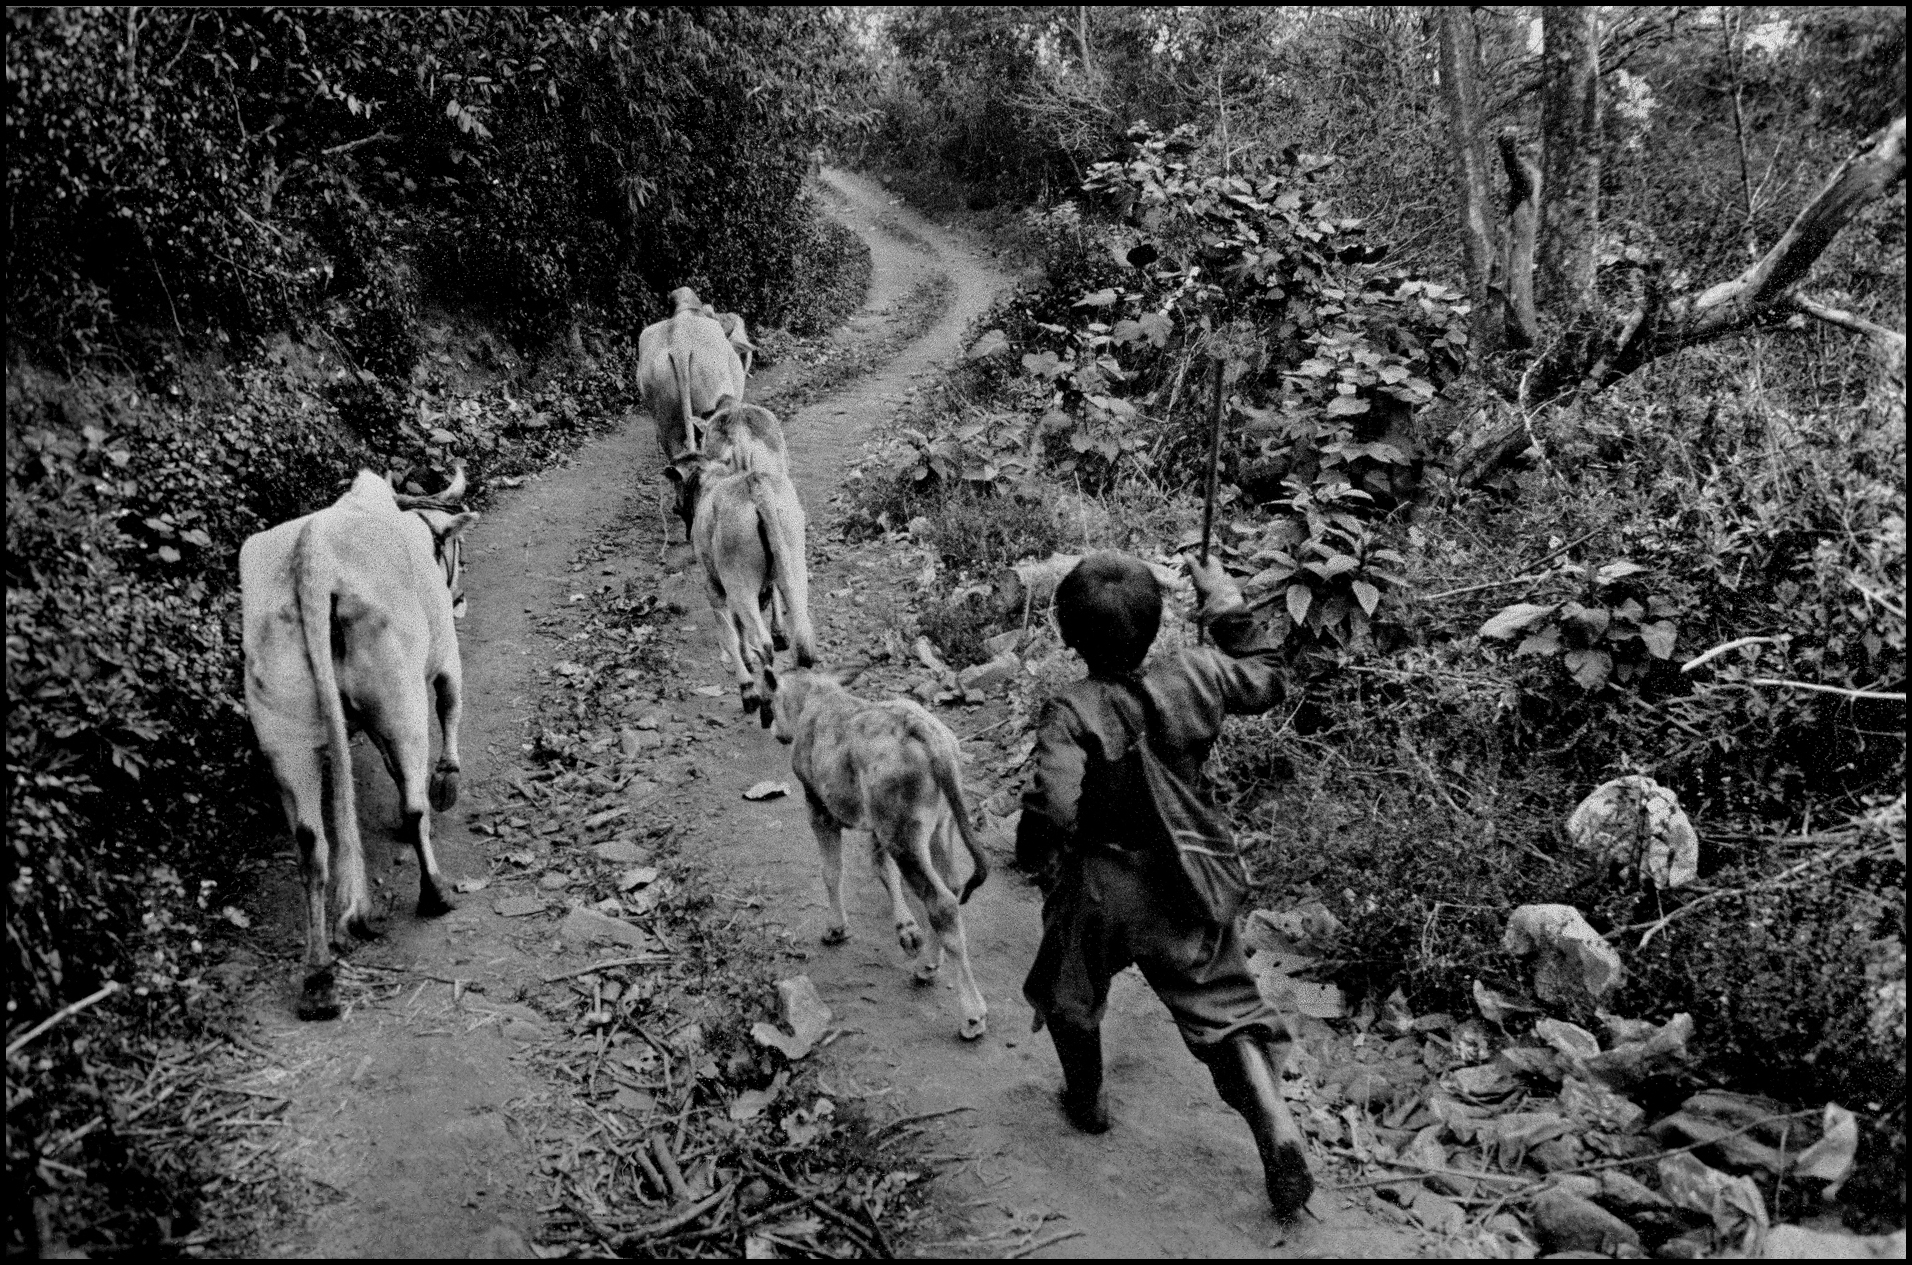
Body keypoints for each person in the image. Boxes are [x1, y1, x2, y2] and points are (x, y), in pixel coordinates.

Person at [1014, 550, 1315, 1220]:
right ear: (1156, 625)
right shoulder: (1196, 674)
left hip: (1099, 881)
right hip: (1185, 870)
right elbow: (1268, 678)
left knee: (1071, 990)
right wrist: (1226, 604)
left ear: (1067, 634)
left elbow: (1057, 808)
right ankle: (1273, 1121)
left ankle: (1088, 1100)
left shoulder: (1070, 709)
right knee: (1224, 1005)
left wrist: (1043, 847)